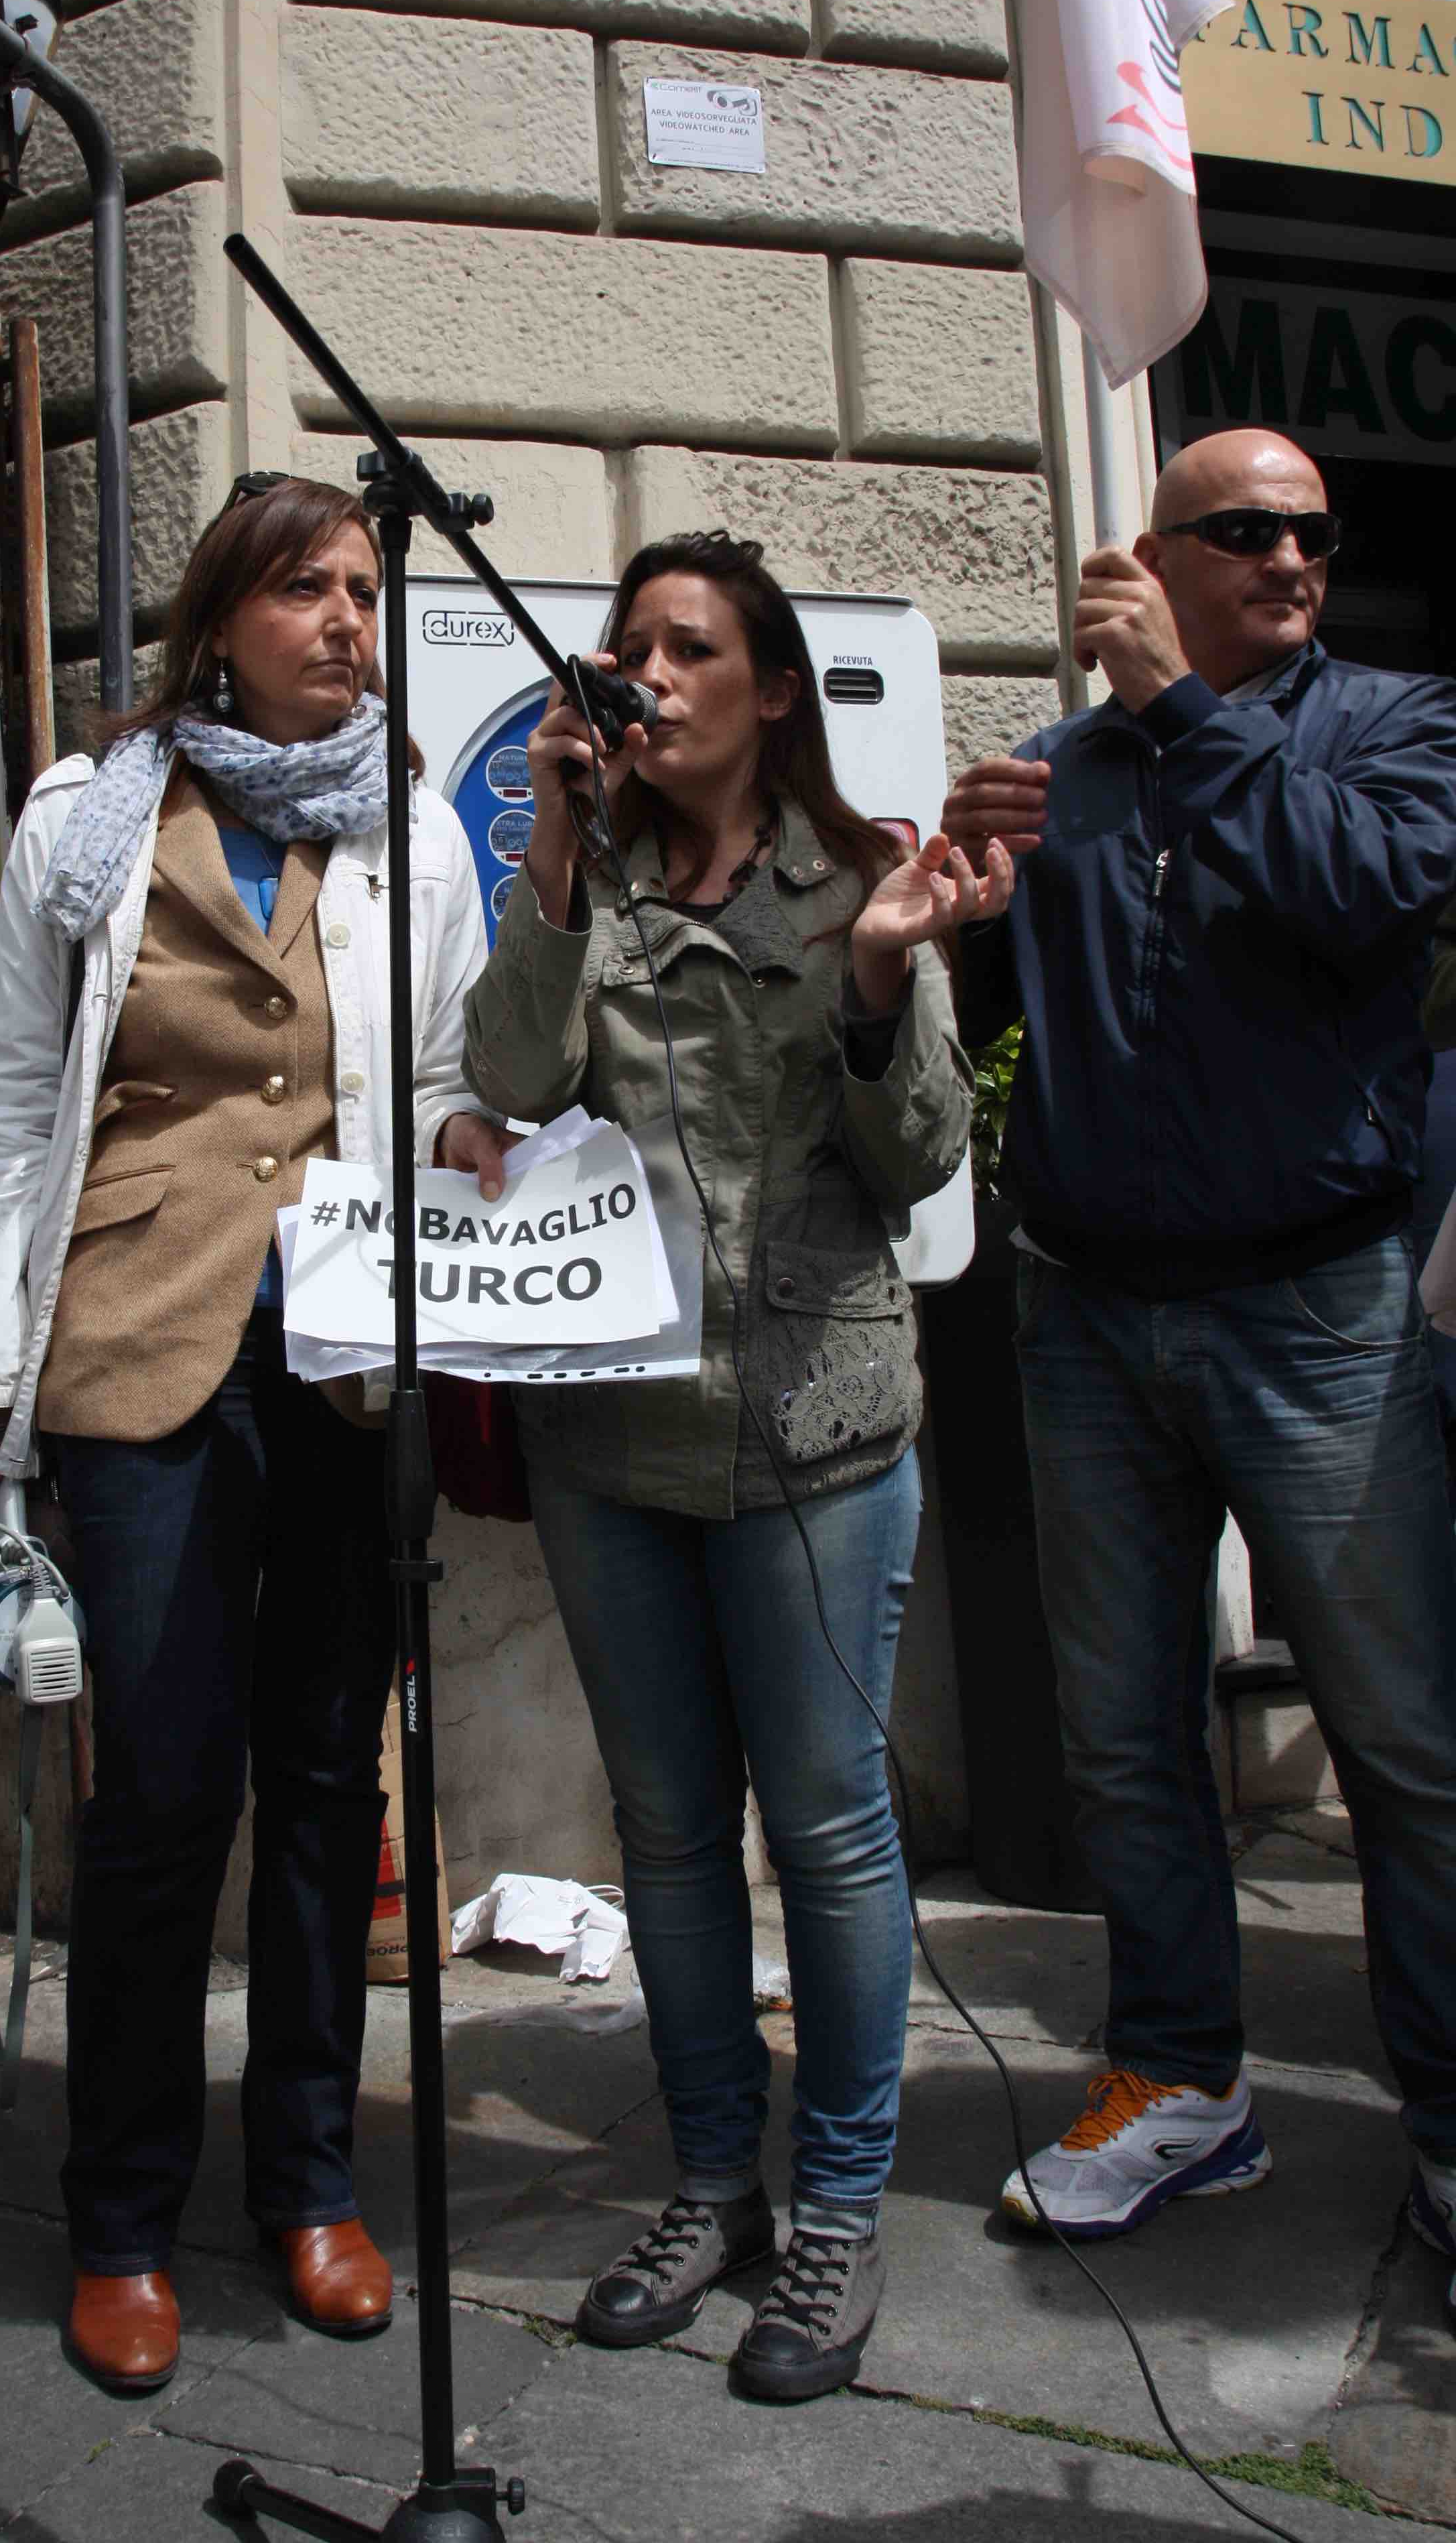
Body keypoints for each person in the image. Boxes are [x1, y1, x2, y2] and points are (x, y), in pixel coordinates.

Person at [0, 475, 511, 2395]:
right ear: (219, 621)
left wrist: (476, 1142)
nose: (348, 619)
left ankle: (310, 2185)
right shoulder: (87, 816)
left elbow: (437, 1071)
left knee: (330, 1788)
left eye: (361, 588)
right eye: (305, 590)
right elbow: (17, 1099)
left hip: (345, 1355)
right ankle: (121, 2217)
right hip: (133, 1346)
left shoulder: (414, 829)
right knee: (164, 1789)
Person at [462, 530, 1012, 2401]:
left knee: (831, 1833)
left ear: (772, 691)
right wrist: (551, 847)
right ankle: (714, 2186)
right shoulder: (587, 878)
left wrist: (874, 978)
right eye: (630, 646)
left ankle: (839, 2207)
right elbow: (510, 1081)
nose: (648, 675)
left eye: (688, 648)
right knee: (670, 1839)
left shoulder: (857, 881)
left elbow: (921, 1161)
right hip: (613, 1441)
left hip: (814, 1435)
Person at [941, 428, 1456, 2307]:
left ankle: (1450, 2122)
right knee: (1124, 1741)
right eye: (1243, 531)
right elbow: (1011, 1029)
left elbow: (1369, 893)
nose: (1291, 561)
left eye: (1311, 533)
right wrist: (971, 894)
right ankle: (1178, 2080)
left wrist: (1177, 708)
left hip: (1315, 1307)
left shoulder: (1398, 725)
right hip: (1087, 1313)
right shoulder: (1063, 771)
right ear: (1154, 554)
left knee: (1403, 1740)